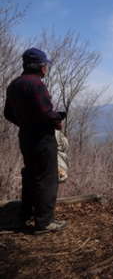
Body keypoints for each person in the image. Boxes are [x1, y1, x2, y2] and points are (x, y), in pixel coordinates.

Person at [3, 47, 67, 234]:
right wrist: (58, 119)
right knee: (48, 178)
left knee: (31, 175)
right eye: (45, 64)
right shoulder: (36, 85)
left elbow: (7, 113)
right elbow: (46, 113)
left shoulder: (14, 85)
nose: (46, 68)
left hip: (26, 137)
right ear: (39, 66)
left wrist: (24, 123)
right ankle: (44, 222)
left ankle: (26, 214)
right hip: (42, 138)